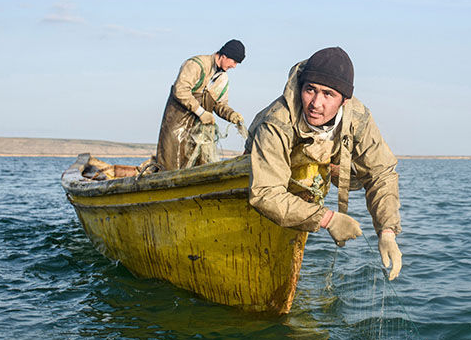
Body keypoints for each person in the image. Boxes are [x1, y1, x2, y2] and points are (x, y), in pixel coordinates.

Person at [245, 47, 403, 280]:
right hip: (269, 175)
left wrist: (387, 231)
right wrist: (328, 219)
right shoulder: (277, 121)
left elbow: (381, 173)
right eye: (310, 90)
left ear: (344, 100)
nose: (316, 103)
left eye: (328, 94)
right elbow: (265, 192)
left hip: (320, 167)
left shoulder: (358, 117)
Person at [155, 39, 246, 171]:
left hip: (200, 132)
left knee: (200, 166)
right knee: (170, 165)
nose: (235, 66)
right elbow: (180, 90)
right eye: (234, 61)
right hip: (177, 126)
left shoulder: (222, 78)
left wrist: (231, 114)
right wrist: (201, 112)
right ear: (224, 56)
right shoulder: (196, 65)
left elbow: (219, 104)